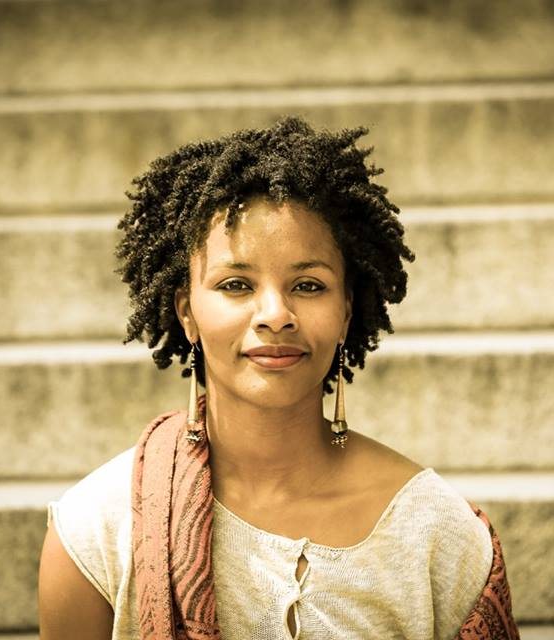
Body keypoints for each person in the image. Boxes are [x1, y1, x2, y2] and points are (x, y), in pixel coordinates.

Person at [38, 116, 520, 640]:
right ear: (187, 313)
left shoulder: (438, 535)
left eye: (308, 285)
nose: (275, 315)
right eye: (236, 284)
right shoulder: (98, 528)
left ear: (346, 312)